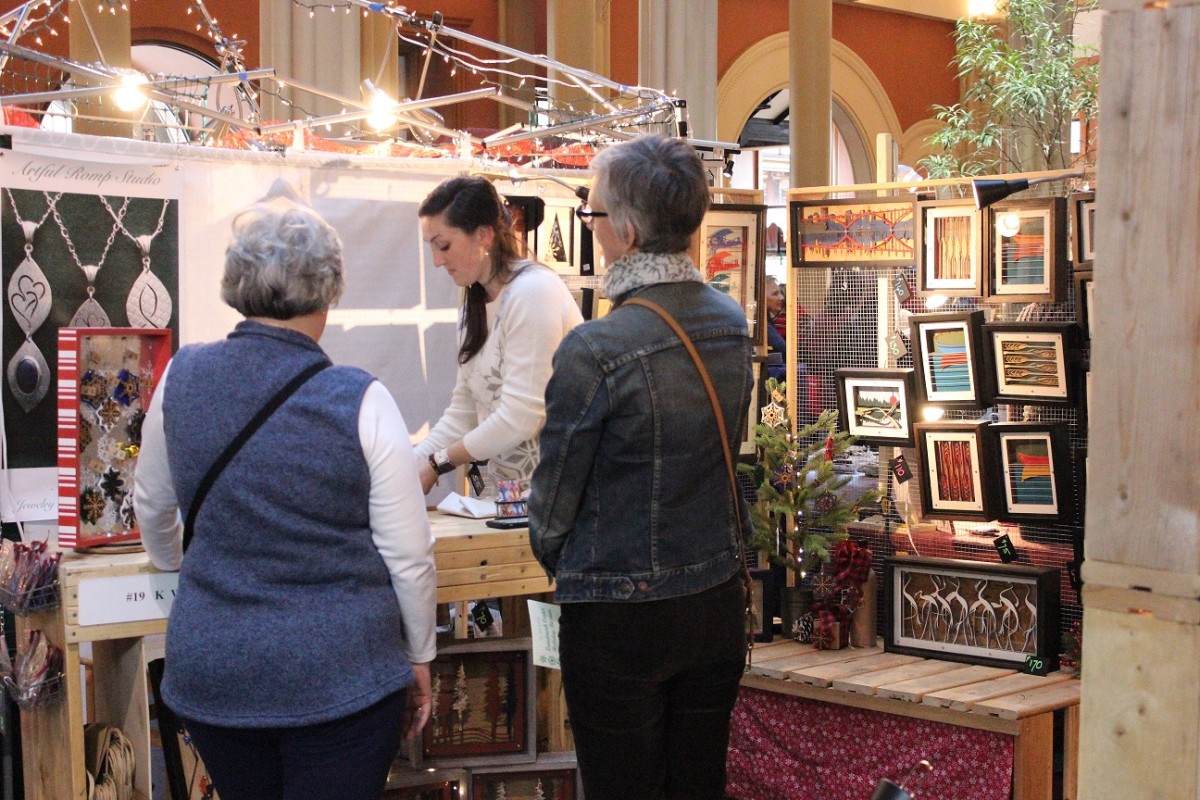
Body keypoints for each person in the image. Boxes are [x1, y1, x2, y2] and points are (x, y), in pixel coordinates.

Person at [133, 199, 437, 800]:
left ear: (236, 284)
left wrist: (179, 567)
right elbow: (409, 555)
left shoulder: (181, 377)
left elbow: (151, 503)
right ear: (329, 291)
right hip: (343, 675)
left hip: (217, 670)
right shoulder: (360, 399)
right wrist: (421, 653)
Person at [529, 134, 754, 800]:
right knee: (696, 785)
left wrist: (562, 559)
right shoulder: (730, 322)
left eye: (591, 214)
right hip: (713, 598)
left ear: (624, 232)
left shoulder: (597, 347)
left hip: (618, 611)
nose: (590, 226)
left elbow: (554, 498)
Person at [414, 176, 583, 495]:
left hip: (551, 500)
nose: (437, 261)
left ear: (484, 235)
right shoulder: (474, 302)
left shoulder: (533, 291)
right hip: (504, 499)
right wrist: (411, 464)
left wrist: (437, 463)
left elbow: (521, 418)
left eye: (444, 245)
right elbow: (464, 410)